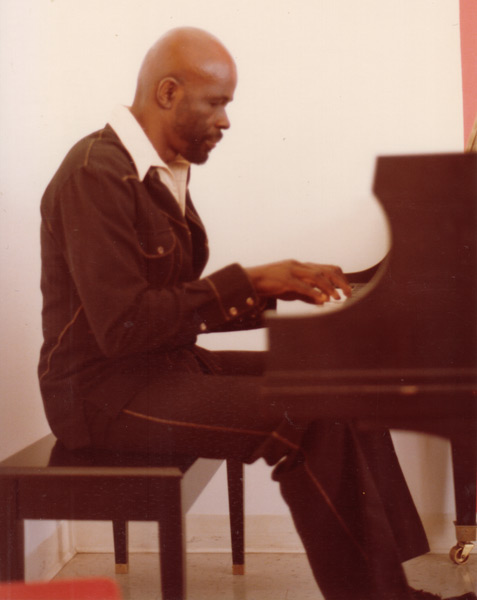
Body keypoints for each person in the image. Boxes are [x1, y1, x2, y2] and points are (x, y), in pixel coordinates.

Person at [38, 27, 475, 600]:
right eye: (217, 103)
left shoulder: (157, 168)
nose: (226, 121)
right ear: (168, 92)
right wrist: (247, 282)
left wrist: (275, 290)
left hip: (160, 369)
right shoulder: (96, 173)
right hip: (100, 395)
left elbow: (167, 310)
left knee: (333, 387)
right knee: (306, 418)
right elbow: (124, 325)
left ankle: (388, 586)